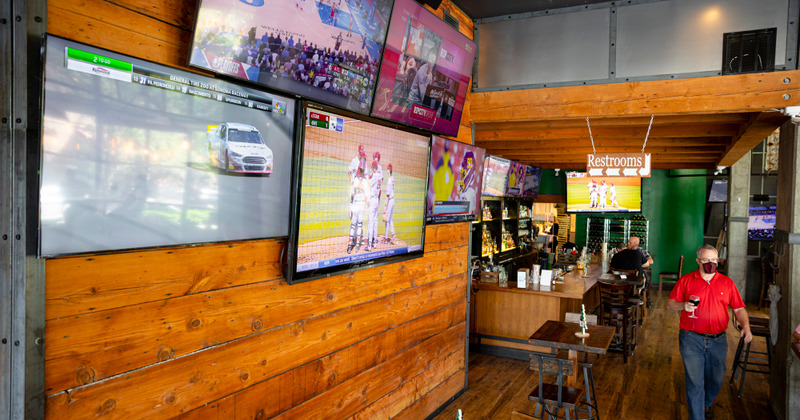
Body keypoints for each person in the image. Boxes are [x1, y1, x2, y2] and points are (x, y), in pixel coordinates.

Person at [666, 244, 751, 420]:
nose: (711, 263)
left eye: (714, 260)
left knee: (716, 379)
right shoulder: (686, 280)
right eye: (706, 260)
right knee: (695, 383)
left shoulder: (727, 283)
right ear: (698, 261)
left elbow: (739, 308)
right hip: (691, 338)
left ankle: (706, 402)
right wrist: (683, 305)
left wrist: (746, 326)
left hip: (718, 341)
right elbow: (670, 303)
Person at [347, 157, 369, 254]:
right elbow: (367, 197)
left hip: (355, 204)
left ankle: (349, 245)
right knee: (360, 224)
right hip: (361, 205)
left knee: (353, 225)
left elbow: (352, 194)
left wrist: (350, 206)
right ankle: (357, 246)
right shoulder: (365, 182)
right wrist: (365, 206)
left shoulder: (355, 180)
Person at [365, 157, 383, 251]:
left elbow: (368, 183)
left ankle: (369, 246)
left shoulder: (375, 176)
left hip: (372, 201)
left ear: (373, 167)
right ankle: (375, 243)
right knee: (375, 221)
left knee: (370, 223)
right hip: (376, 200)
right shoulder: (379, 176)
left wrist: (367, 177)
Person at [383, 163, 396, 244]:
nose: (386, 170)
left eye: (387, 169)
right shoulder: (392, 178)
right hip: (393, 200)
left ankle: (385, 238)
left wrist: (385, 206)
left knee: (387, 220)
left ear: (389, 170)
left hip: (390, 201)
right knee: (390, 219)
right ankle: (393, 233)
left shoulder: (389, 180)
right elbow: (389, 189)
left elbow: (387, 195)